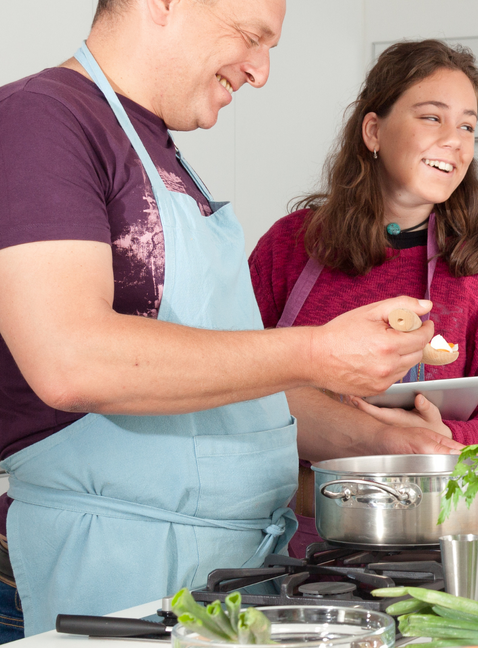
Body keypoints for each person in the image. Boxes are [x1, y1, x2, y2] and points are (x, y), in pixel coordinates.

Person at [0, 0, 437, 636]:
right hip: (117, 569)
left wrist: (379, 441)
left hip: (229, 572)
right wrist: (315, 350)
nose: (260, 71)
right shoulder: (41, 121)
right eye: (250, 37)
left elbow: (223, 389)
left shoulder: (161, 153)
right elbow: (71, 359)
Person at [248, 39, 478, 557]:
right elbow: (233, 386)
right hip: (287, 537)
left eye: (467, 125)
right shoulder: (288, 248)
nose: (456, 141)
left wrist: (438, 433)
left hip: (427, 546)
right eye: (432, 118)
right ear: (373, 130)